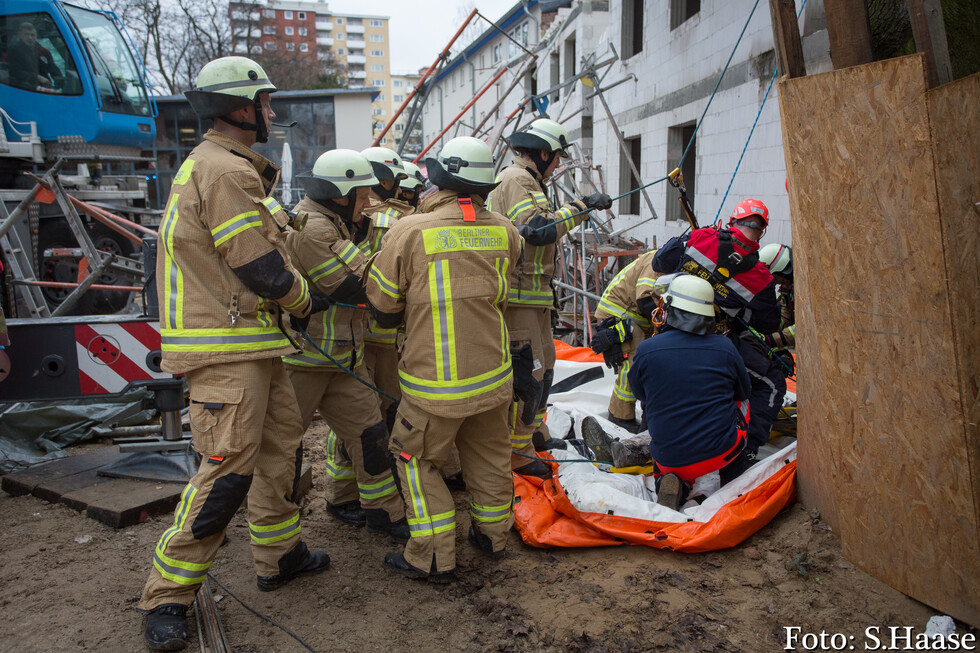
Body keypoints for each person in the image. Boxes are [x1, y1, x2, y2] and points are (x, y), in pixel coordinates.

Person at [138, 56, 331, 651]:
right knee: (225, 474)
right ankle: (167, 594)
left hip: (248, 342)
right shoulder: (225, 173)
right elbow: (261, 266)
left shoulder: (222, 166)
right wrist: (306, 299)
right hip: (226, 348)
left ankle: (279, 554)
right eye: (266, 103)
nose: (272, 113)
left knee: (278, 454)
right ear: (240, 109)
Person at [365, 136, 523, 581]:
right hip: (493, 377)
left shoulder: (410, 231)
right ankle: (492, 537)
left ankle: (432, 556)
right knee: (490, 458)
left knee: (415, 461)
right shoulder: (505, 230)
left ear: (439, 180)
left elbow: (381, 304)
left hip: (436, 387)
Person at [282, 149, 408, 541]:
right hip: (304, 361)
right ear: (340, 195)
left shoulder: (345, 222)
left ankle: (382, 513)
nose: (371, 203)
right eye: (364, 194)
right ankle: (278, 535)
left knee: (370, 435)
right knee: (284, 449)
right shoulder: (313, 228)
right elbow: (353, 286)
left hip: (344, 358)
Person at [486, 118, 611, 477]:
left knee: (545, 367)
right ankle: (518, 452)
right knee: (529, 374)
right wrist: (582, 205)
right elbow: (538, 230)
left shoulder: (532, 182)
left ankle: (534, 434)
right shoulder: (517, 179)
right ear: (543, 153)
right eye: (556, 157)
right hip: (520, 297)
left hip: (537, 297)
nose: (558, 165)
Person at [652, 198, 784, 456]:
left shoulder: (701, 236)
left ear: (733, 221)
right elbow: (768, 325)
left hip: (667, 330)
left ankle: (654, 429)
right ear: (761, 231)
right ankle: (747, 449)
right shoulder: (761, 277)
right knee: (773, 382)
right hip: (714, 343)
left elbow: (660, 263)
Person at [627, 274, 753, 510]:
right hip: (719, 454)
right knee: (743, 402)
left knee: (656, 403)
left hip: (667, 459)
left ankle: (667, 481)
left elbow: (642, 395)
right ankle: (730, 473)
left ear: (672, 308)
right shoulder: (725, 348)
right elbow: (743, 391)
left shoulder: (646, 350)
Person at [358, 147, 410, 431]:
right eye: (393, 181)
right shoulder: (395, 222)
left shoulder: (354, 216)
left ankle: (347, 469)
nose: (398, 189)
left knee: (364, 407)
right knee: (386, 403)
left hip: (361, 332)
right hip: (389, 333)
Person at [589, 250, 663, 433]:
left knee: (645, 361)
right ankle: (620, 416)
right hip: (621, 311)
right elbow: (645, 299)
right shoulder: (657, 263)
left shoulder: (666, 260)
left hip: (635, 314)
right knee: (633, 362)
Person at [757, 243, 795, 352]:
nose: (778, 283)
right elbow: (786, 315)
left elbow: (805, 326)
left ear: (783, 271)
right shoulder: (788, 289)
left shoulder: (806, 290)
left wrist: (772, 339)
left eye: (777, 279)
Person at [8, 21, 61, 91]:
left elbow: (54, 69)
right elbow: (14, 72)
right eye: (26, 34)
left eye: (32, 35)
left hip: (45, 88)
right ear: (19, 34)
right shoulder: (14, 50)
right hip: (22, 88)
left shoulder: (43, 52)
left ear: (36, 36)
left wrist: (60, 81)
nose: (30, 37)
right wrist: (37, 77)